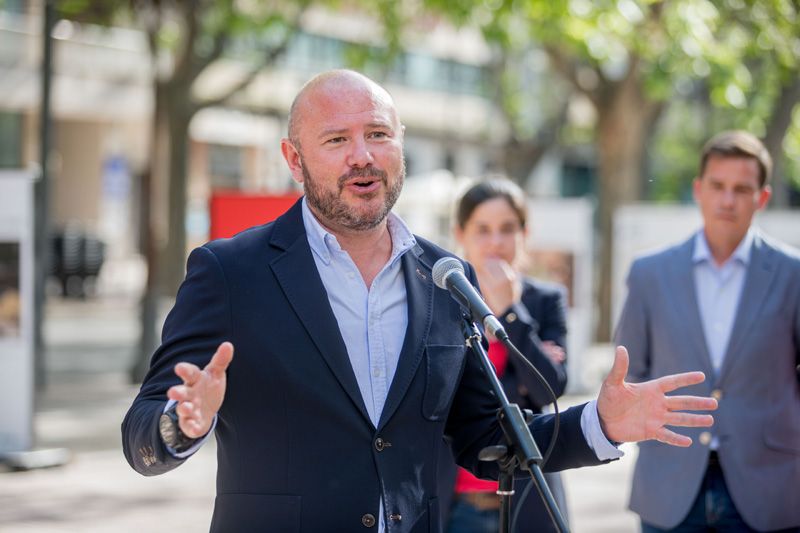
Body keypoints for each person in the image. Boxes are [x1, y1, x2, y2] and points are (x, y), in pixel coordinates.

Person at [122, 69, 717, 533]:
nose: (363, 155)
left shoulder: (444, 275)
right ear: (294, 159)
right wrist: (181, 423)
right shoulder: (230, 271)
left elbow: (488, 438)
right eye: (337, 139)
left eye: (378, 134)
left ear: (399, 144)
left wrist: (598, 423)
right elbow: (141, 434)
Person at [614, 130, 800, 533]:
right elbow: (627, 373)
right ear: (699, 189)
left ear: (762, 197)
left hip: (770, 486)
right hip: (670, 485)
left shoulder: (793, 275)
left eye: (741, 189)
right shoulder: (650, 274)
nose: (728, 200)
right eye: (717, 186)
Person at [439, 179, 570, 533]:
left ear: (524, 233)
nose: (496, 241)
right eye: (482, 229)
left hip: (527, 497)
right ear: (460, 233)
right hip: (454, 501)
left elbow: (547, 390)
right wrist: (535, 352)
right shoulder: (440, 301)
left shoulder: (545, 301)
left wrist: (511, 311)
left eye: (507, 229)